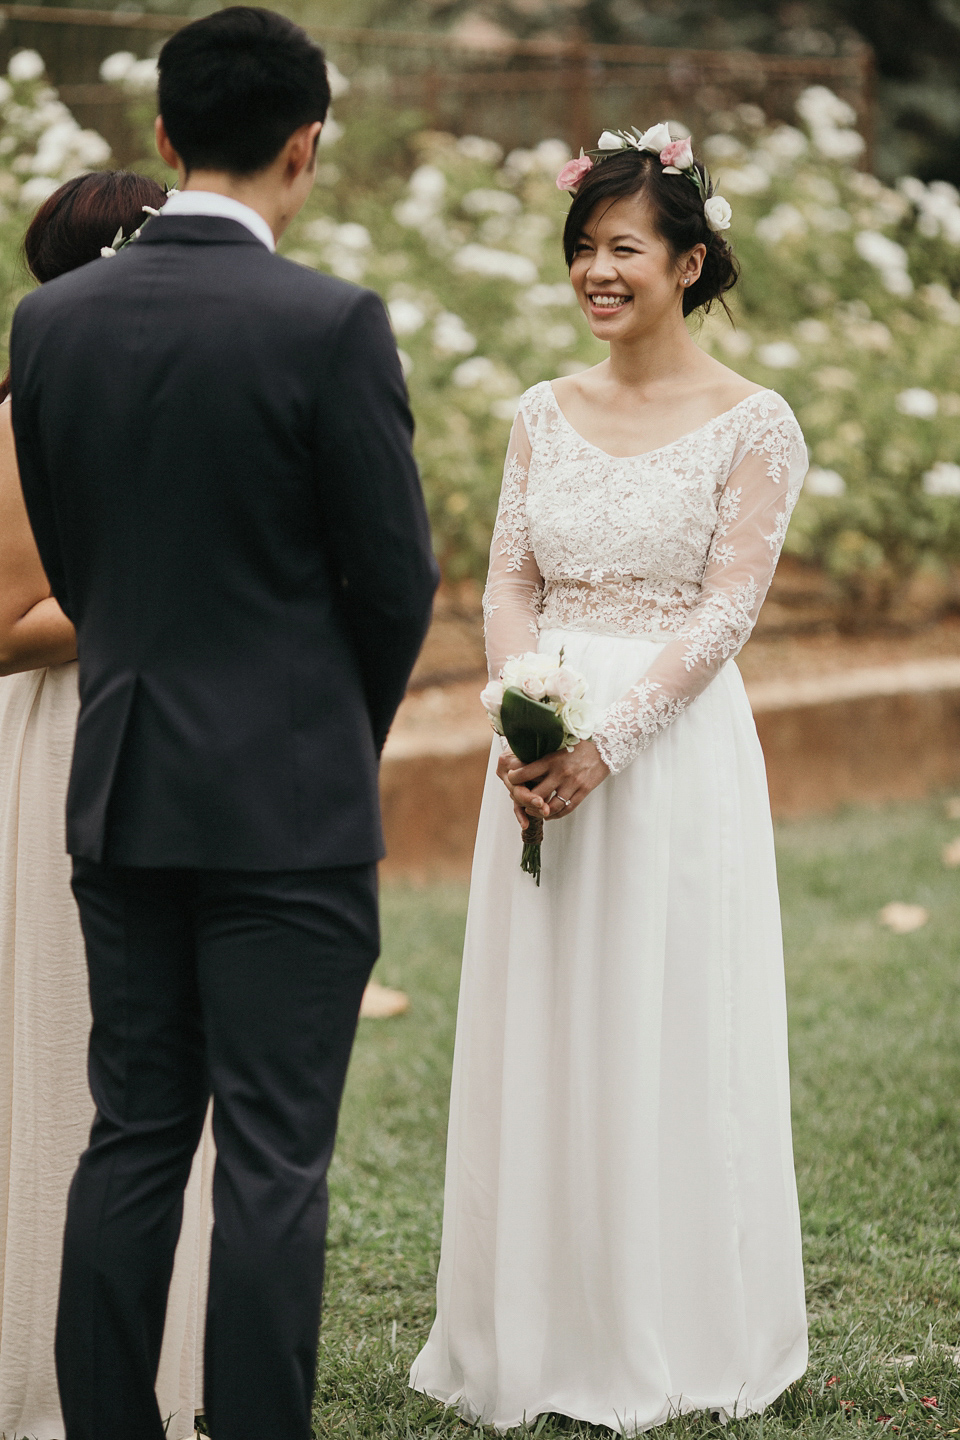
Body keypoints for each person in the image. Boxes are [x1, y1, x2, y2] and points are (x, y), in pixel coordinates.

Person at [10, 9, 438, 1438]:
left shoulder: (50, 322)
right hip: (289, 808)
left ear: (165, 139)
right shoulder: (331, 324)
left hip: (121, 792)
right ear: (306, 146)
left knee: (127, 1140)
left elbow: (77, 568)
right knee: (270, 1162)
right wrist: (328, 730)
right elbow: (394, 583)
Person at [411, 127, 809, 1431]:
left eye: (622, 249)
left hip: (673, 758)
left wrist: (604, 743)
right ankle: (532, 1318)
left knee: (664, 1018)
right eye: (582, 249)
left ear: (689, 262)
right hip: (535, 747)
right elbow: (508, 579)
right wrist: (521, 716)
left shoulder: (757, 425)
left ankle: (669, 1321)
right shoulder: (541, 410)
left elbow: (722, 614)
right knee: (548, 1020)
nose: (596, 270)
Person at [0, 169, 214, 1440]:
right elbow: (9, 626)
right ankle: (45, 1380)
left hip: (191, 759)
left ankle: (169, 1375)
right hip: (75, 748)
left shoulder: (202, 406)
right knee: (81, 1056)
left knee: (174, 1068)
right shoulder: (33, 411)